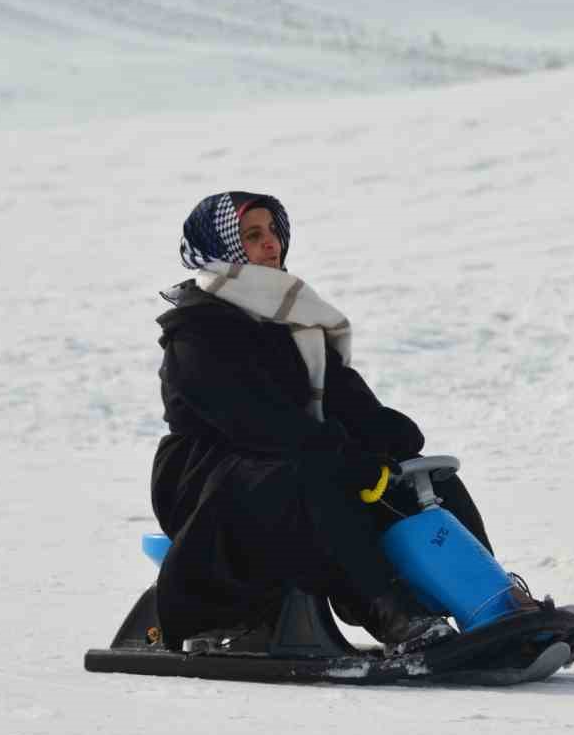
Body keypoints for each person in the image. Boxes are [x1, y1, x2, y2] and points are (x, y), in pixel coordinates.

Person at [149, 190, 493, 654]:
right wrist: (347, 457)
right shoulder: (197, 330)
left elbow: (346, 400)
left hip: (294, 455)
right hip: (209, 475)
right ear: (223, 248)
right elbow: (253, 420)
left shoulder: (293, 320)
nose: (271, 244)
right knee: (318, 477)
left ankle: (493, 602)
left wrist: (393, 440)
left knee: (423, 474)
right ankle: (392, 616)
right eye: (252, 235)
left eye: (273, 232)